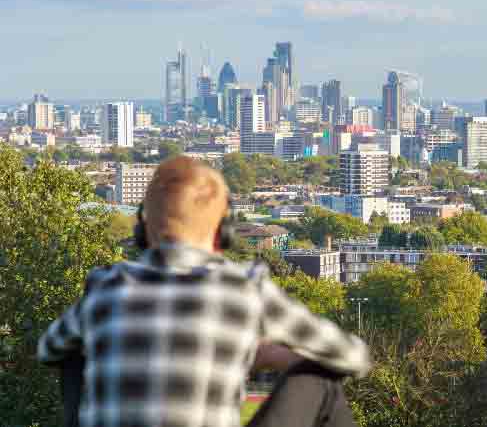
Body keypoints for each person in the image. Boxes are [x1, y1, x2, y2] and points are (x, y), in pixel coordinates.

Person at [37, 156, 371, 427]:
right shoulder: (245, 289)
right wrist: (269, 355)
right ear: (221, 234)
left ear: (142, 229)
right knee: (322, 377)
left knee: (75, 351)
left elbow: (49, 348)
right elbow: (353, 357)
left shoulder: (105, 287)